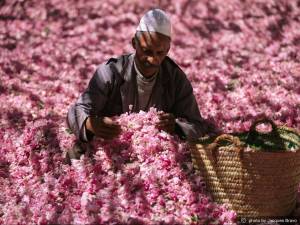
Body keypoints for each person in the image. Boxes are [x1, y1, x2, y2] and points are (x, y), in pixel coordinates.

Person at [66, 9, 213, 161]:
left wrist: (175, 126)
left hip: (153, 157)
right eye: (147, 51)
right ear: (134, 43)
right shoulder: (111, 72)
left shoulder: (175, 78)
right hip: (113, 151)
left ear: (168, 50)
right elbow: (76, 111)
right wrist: (90, 124)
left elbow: (196, 124)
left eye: (159, 53)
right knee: (76, 157)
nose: (153, 60)